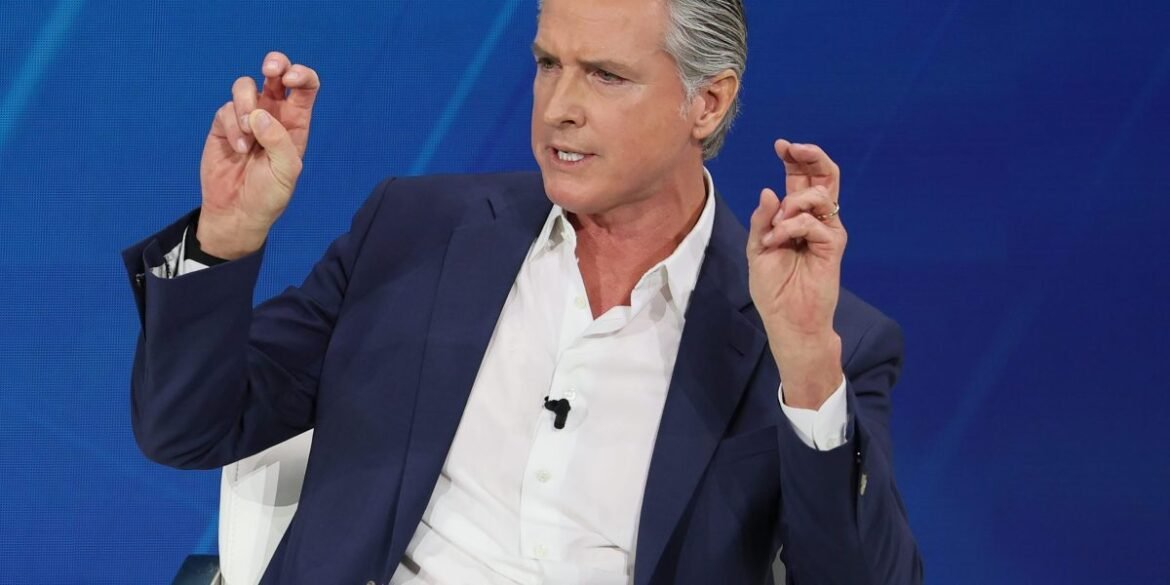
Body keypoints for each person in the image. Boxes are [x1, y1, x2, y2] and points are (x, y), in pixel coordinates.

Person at [123, 0, 923, 582]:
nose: (559, 109)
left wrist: (807, 366)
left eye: (605, 75)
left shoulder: (809, 336)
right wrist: (227, 236)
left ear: (705, 103)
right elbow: (186, 430)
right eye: (548, 65)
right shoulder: (415, 230)